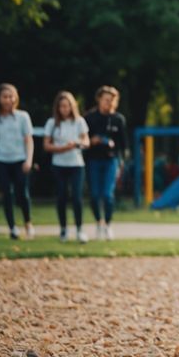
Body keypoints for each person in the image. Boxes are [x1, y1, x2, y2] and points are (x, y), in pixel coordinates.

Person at [43, 92, 91, 243]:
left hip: (76, 164)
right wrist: (63, 148)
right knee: (62, 196)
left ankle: (79, 229)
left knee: (77, 197)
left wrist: (77, 144)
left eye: (67, 106)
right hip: (59, 164)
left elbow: (86, 141)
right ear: (57, 108)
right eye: (62, 106)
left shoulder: (79, 122)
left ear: (72, 106)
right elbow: (47, 145)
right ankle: (63, 229)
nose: (65, 109)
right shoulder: (52, 123)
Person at [83, 85, 127, 241]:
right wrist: (91, 141)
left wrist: (122, 162)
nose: (109, 103)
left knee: (108, 195)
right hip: (93, 160)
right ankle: (98, 222)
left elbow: (123, 145)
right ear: (99, 100)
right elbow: (82, 140)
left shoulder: (118, 119)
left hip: (111, 160)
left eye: (112, 100)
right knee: (94, 195)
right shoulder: (89, 118)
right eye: (106, 100)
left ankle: (108, 224)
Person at [0, 84, 34, 240]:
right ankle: (12, 227)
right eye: (5, 96)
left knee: (22, 193)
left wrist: (29, 159)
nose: (8, 100)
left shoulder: (23, 117)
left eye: (11, 96)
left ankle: (28, 222)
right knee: (7, 193)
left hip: (20, 159)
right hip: (2, 160)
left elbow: (28, 140)